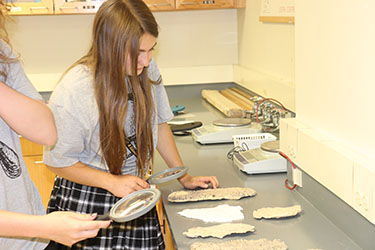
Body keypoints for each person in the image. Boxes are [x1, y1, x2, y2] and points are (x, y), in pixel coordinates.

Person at [43, 0, 219, 249]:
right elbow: (58, 162)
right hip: (89, 202)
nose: (146, 61)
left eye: (151, 50)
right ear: (109, 47)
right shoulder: (75, 90)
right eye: (138, 52)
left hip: (134, 195)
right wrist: (112, 182)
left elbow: (158, 123)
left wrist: (183, 175)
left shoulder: (146, 70)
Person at [0, 1, 111, 250]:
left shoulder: (1, 53)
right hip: (34, 230)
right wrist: (44, 227)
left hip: (30, 242)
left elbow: (46, 132)